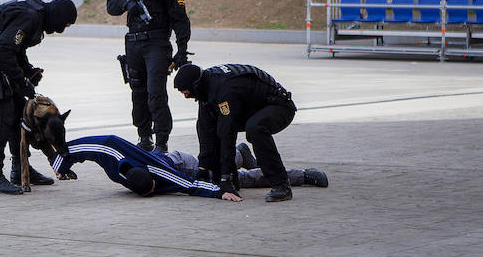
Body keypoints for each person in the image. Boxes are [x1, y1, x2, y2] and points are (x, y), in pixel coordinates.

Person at [0, 0, 78, 195]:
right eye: (63, 25)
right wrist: (22, 81)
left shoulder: (35, 16)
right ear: (57, 17)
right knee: (2, 110)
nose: (61, 30)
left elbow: (15, 49)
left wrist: (28, 71)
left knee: (18, 108)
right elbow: (2, 51)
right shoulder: (30, 17)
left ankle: (20, 168)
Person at [107, 0, 191, 153]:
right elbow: (111, 5)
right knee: (138, 93)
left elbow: (180, 19)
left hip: (157, 44)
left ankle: (161, 142)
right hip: (133, 43)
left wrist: (182, 49)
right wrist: (127, 4)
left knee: (156, 93)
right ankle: (144, 138)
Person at [174, 63, 299, 202]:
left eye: (187, 94)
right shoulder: (206, 86)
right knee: (208, 121)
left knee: (255, 128)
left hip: (280, 106)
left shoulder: (224, 90)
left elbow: (227, 134)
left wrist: (225, 178)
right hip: (253, 107)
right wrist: (203, 168)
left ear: (195, 85)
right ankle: (225, 177)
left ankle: (281, 185)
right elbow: (205, 130)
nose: (186, 98)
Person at [48, 135, 241, 201]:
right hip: (170, 166)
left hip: (182, 164)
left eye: (154, 188)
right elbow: (85, 148)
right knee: (230, 175)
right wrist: (60, 165)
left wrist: (220, 192)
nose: (156, 191)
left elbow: (190, 185)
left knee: (231, 178)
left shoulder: (157, 171)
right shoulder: (111, 159)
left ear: (152, 178)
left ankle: (241, 152)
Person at [166, 143, 329, 189]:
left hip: (178, 167)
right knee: (227, 171)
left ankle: (303, 175)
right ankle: (239, 154)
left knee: (237, 179)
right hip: (174, 166)